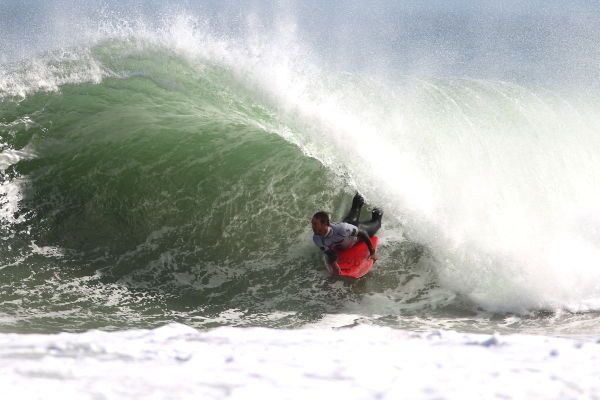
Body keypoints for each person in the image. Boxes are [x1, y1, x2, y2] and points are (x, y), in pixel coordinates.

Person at [311, 193, 383, 275]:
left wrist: (372, 252)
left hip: (356, 231)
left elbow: (363, 233)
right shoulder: (316, 239)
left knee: (377, 222)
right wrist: (334, 266)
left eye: (315, 224)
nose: (312, 226)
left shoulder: (341, 229)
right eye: (312, 223)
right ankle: (360, 191)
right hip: (347, 226)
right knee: (356, 206)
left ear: (324, 224)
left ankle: (375, 195)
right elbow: (329, 252)